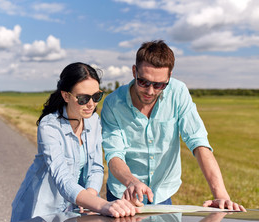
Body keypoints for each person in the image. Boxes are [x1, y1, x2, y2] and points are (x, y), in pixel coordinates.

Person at [101, 40, 246, 211]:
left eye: (159, 85)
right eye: (143, 82)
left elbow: (198, 141)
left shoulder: (178, 93)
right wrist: (133, 182)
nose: (150, 91)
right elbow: (114, 154)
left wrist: (221, 195)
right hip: (124, 193)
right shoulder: (113, 103)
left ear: (169, 78)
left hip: (161, 193)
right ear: (134, 71)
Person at [11, 62, 139, 222]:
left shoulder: (94, 120)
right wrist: (102, 205)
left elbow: (96, 168)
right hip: (43, 212)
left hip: (79, 210)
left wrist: (90, 199)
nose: (91, 104)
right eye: (83, 98)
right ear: (66, 96)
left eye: (96, 96)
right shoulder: (49, 126)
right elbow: (62, 178)